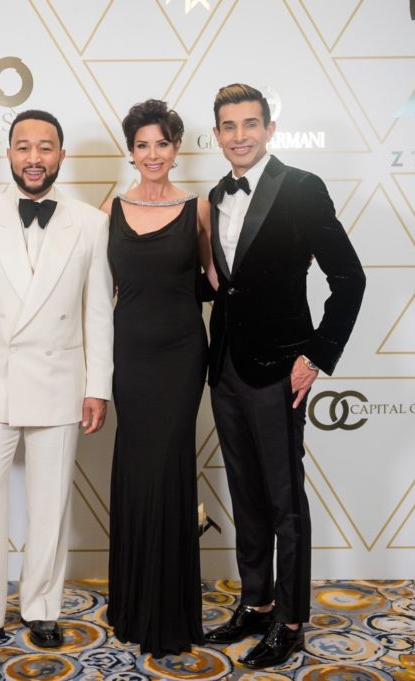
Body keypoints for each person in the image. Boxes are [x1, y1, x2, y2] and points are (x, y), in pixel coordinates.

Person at [0, 109, 114, 666]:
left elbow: (98, 314)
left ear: (62, 155)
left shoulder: (91, 222)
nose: (34, 157)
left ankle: (43, 608)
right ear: (9, 153)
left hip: (61, 380)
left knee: (50, 503)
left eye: (45, 147)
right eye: (23, 146)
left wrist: (98, 386)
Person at [202, 83, 365, 669]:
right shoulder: (216, 193)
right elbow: (224, 282)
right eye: (228, 125)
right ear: (217, 134)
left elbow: (349, 279)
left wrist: (316, 355)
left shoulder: (301, 188)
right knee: (245, 494)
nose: (239, 135)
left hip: (280, 371)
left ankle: (291, 621)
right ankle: (256, 602)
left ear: (269, 129)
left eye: (250, 124)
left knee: (284, 500)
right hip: (223, 367)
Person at [106, 99, 214, 657]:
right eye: (142, 144)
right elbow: (93, 291)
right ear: (132, 150)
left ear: (176, 148)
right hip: (128, 356)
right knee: (135, 465)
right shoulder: (111, 207)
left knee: (169, 468)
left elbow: (219, 279)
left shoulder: (199, 208)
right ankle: (130, 604)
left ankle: (168, 611)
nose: (153, 154)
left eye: (162, 144)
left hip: (180, 355)